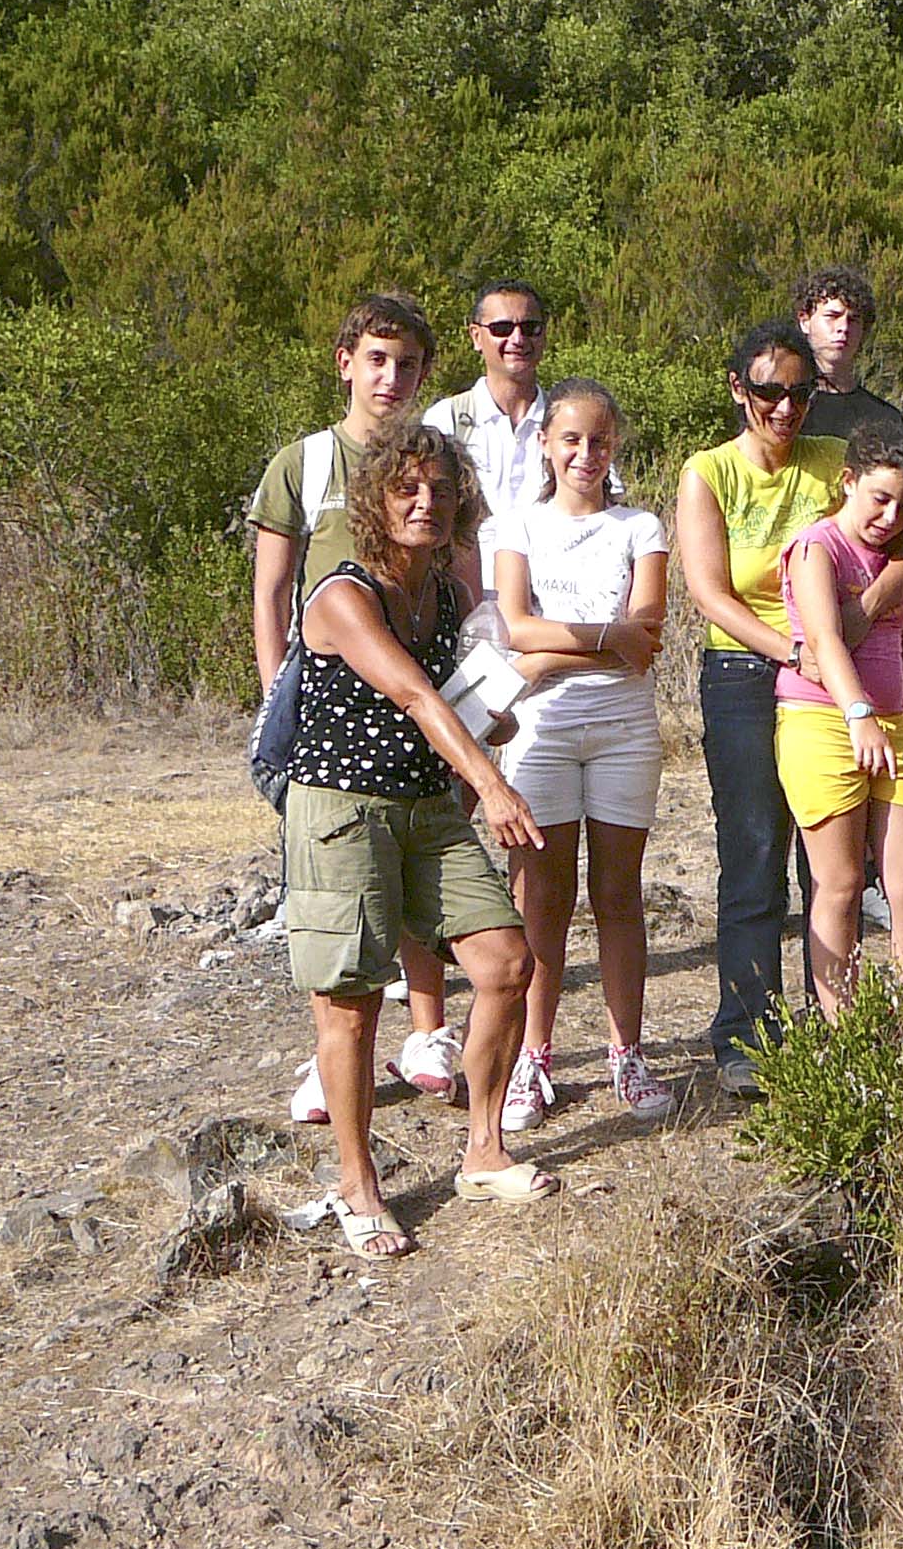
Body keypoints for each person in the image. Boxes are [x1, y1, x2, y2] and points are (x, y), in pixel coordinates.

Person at [280, 424, 557, 1257]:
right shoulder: (342, 594)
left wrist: (492, 716)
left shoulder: (444, 594)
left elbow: (452, 701)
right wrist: (492, 784)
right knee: (353, 1001)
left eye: (439, 489)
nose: (425, 503)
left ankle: (484, 1151)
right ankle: (357, 1185)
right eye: (406, 488)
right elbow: (412, 696)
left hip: (425, 805)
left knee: (506, 963)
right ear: (375, 499)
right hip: (342, 810)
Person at [676, 319, 903, 1097]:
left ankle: (835, 1021)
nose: (785, 408)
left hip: (836, 674)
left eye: (800, 392)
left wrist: (859, 613)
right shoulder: (709, 473)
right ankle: (747, 1030)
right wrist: (795, 648)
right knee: (754, 852)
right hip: (745, 672)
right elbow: (709, 591)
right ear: (737, 389)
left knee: (833, 866)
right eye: (769, 392)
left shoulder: (831, 461)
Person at [248, 290, 459, 1120]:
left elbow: (459, 575)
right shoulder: (303, 463)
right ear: (346, 364)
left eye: (406, 364)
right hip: (331, 701)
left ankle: (429, 1032)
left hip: (420, 695)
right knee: (339, 881)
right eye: (376, 359)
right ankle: (332, 1055)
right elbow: (272, 590)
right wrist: (278, 692)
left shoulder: (436, 465)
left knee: (423, 855)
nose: (390, 377)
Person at [489, 377, 678, 1131]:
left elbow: (647, 635)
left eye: (599, 440)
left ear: (615, 444)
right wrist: (602, 638)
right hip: (541, 730)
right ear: (545, 443)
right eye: (570, 439)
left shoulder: (640, 527)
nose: (585, 454)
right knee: (542, 898)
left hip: (623, 728)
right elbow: (514, 625)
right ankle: (532, 1058)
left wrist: (548, 654)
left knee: (618, 894)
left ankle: (626, 1052)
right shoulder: (519, 526)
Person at [776, 421, 903, 1017]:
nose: (889, 516)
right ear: (848, 482)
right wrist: (858, 713)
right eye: (879, 498)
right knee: (841, 882)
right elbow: (824, 640)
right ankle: (843, 1031)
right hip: (822, 719)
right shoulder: (817, 547)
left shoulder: (902, 560)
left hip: (893, 724)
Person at [422, 279, 554, 606]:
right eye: (502, 328)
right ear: (476, 337)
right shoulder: (445, 421)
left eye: (530, 328)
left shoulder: (569, 425)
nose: (517, 339)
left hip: (552, 615)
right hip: (463, 608)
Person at [793, 264, 903, 441]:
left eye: (854, 319)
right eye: (832, 316)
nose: (844, 328)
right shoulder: (783, 409)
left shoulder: (884, 419)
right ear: (805, 321)